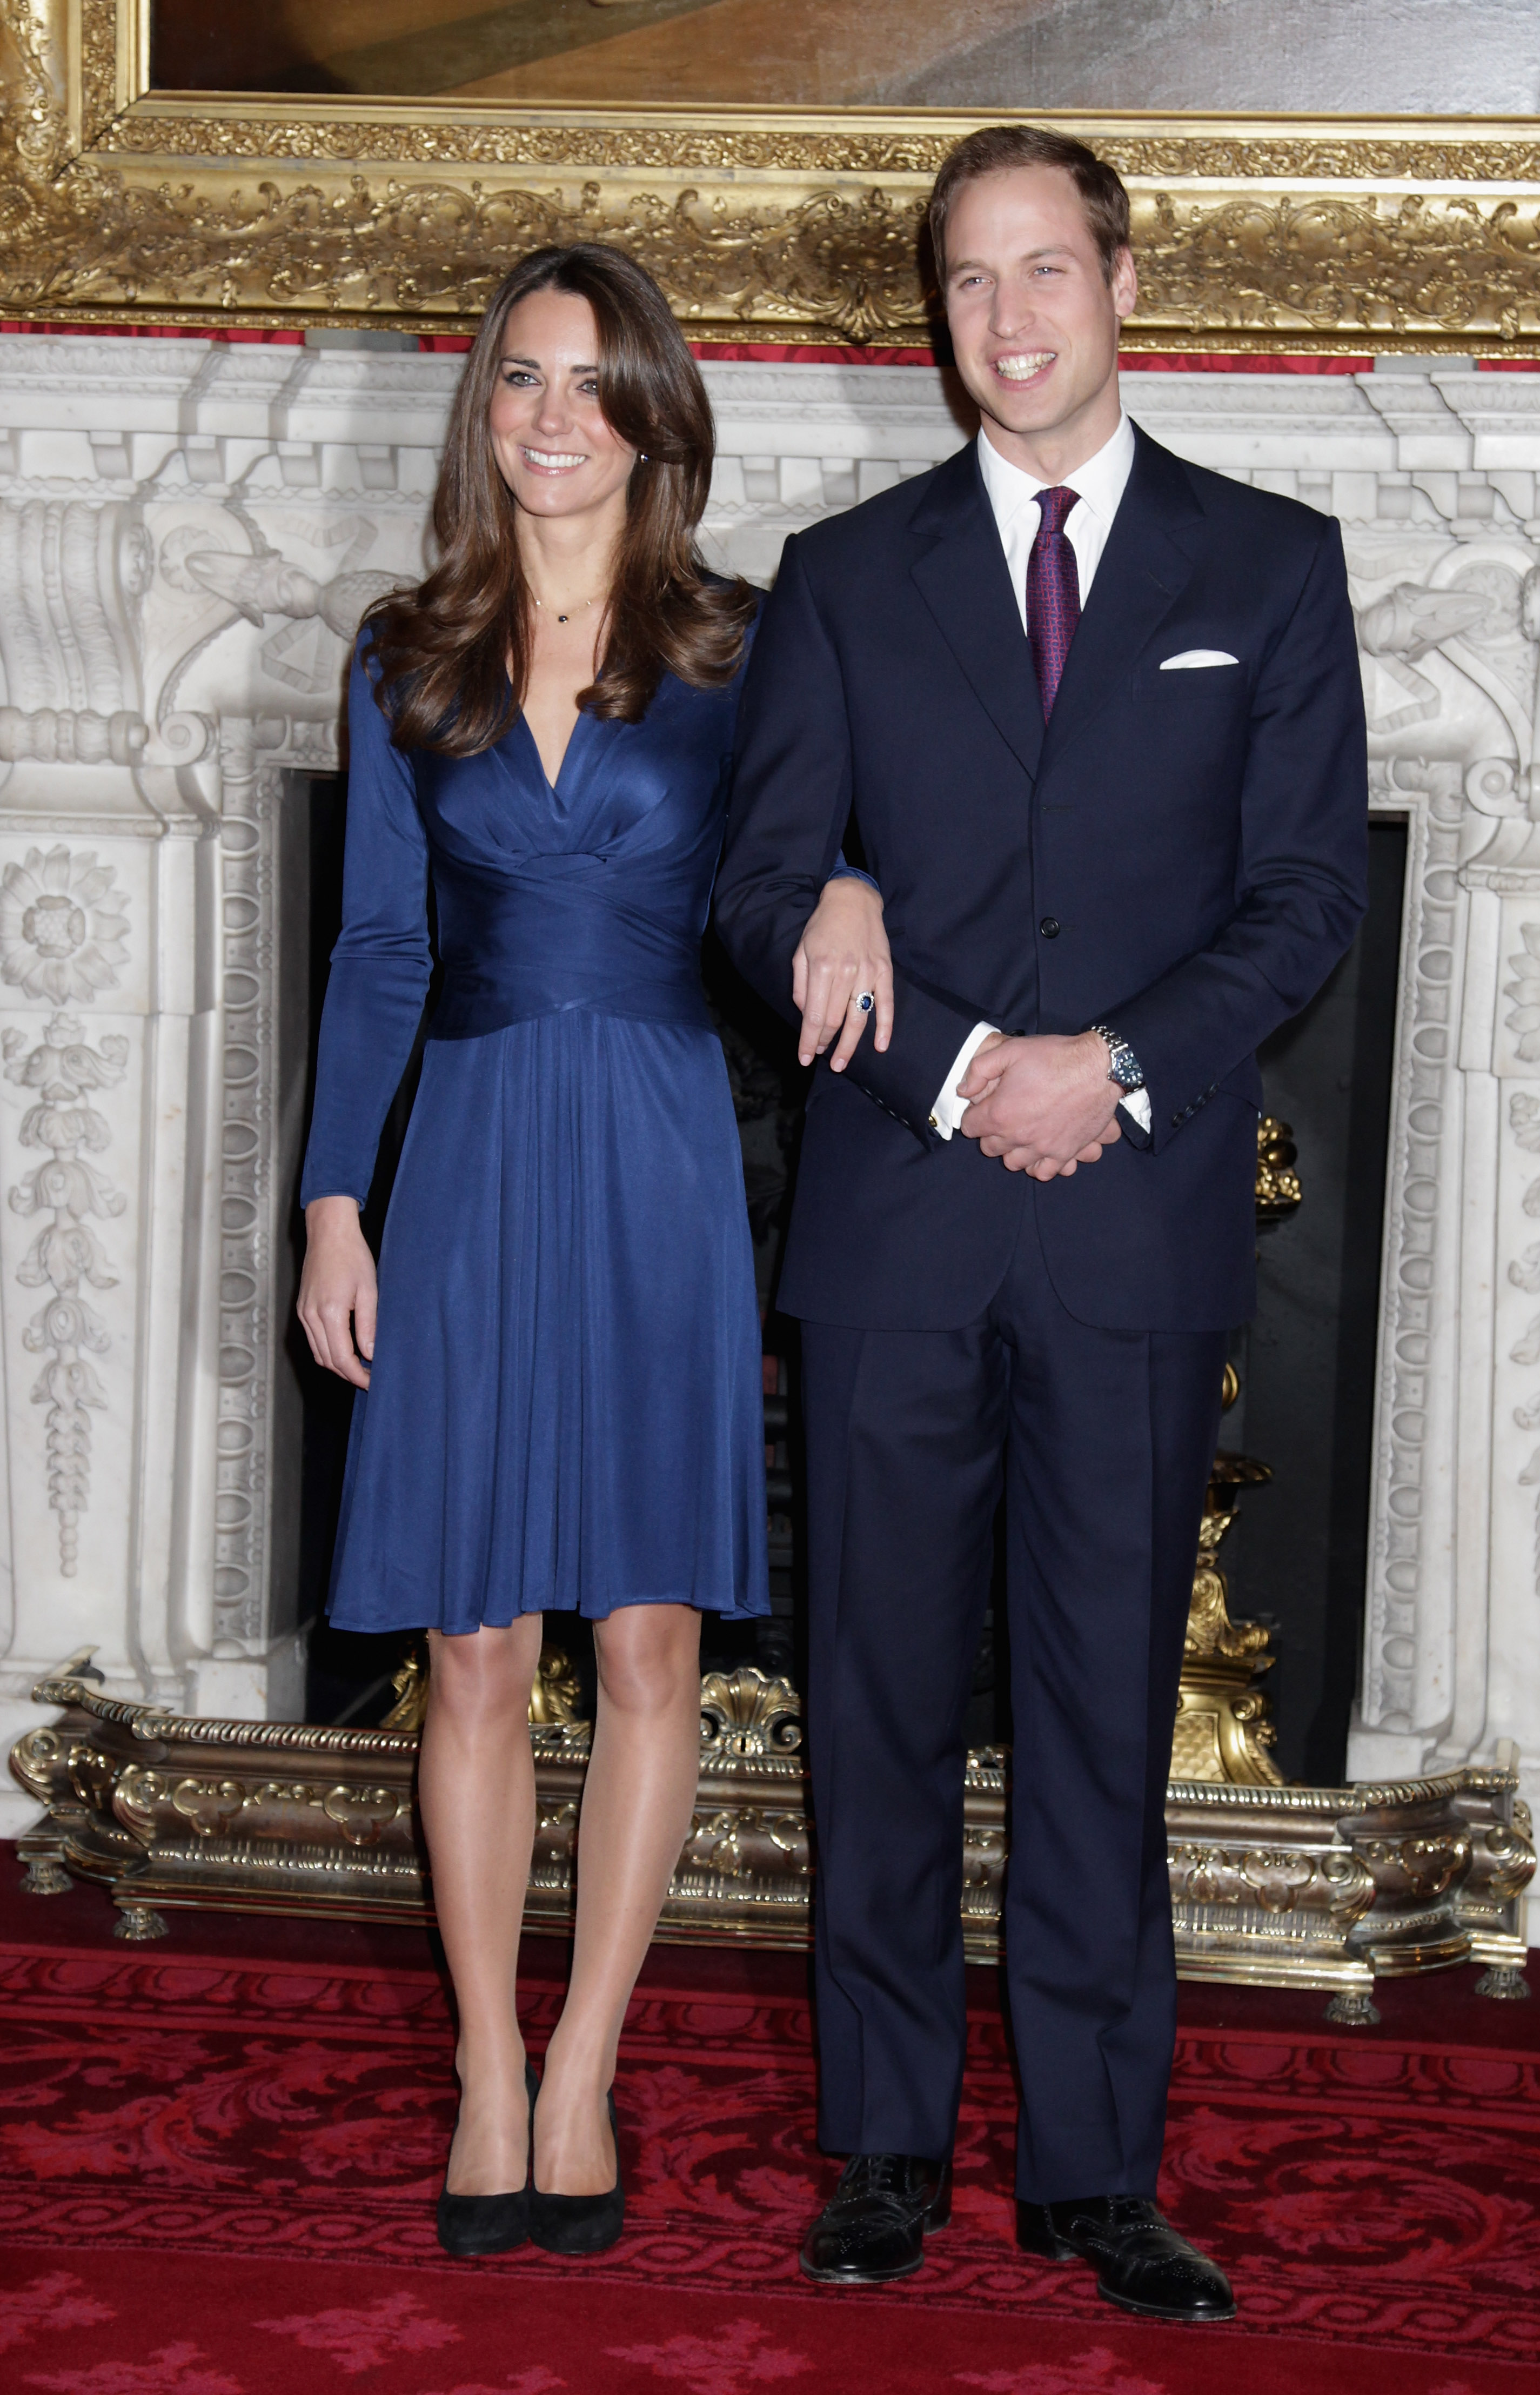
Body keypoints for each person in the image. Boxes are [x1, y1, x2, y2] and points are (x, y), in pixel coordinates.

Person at [715, 125, 1369, 2323]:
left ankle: (1096, 2169)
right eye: (968, 280)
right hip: (897, 1223)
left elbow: (1308, 893)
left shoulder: (1269, 565)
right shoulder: (840, 576)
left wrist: (1118, 1067)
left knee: (1101, 1713)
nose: (1006, 318)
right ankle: (884, 2145)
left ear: (1119, 282)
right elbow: (759, 885)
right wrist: (956, 1055)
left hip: (1134, 1224)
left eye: (1043, 270)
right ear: (939, 313)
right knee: (877, 1702)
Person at [295, 242, 889, 2263]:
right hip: (463, 1156)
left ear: (654, 418)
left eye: (593, 383)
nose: (555, 419)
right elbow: (381, 947)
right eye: (524, 379)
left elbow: (825, 846)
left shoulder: (743, 645)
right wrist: (334, 1205)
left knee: (647, 1644)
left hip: (655, 1154)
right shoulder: (404, 654)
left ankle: (586, 2067)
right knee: (471, 1641)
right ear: (488, 405)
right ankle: (485, 2062)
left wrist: (860, 890)